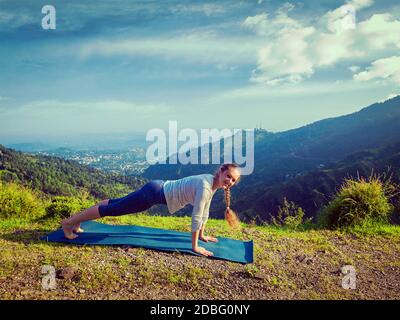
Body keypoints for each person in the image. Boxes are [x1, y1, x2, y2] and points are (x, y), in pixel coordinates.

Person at [61, 163, 241, 257]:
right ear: (221, 171)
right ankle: (68, 223)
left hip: (156, 187)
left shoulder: (211, 182)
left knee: (113, 203)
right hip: (153, 194)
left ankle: (76, 221)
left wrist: (202, 236)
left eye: (233, 180)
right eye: (229, 176)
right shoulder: (205, 185)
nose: (230, 182)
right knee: (113, 209)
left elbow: (204, 212)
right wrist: (195, 246)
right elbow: (196, 216)